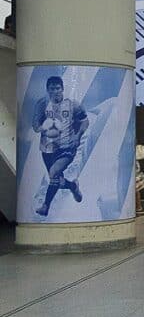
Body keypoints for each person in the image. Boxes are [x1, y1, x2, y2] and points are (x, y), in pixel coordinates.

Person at [31, 76, 88, 217]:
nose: (55, 91)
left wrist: (77, 136)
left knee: (54, 173)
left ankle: (45, 207)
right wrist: (45, 127)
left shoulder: (73, 105)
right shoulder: (42, 104)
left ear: (62, 89)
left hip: (67, 148)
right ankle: (73, 186)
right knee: (57, 180)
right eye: (52, 88)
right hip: (47, 149)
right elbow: (35, 126)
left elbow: (85, 121)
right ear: (47, 90)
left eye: (57, 88)